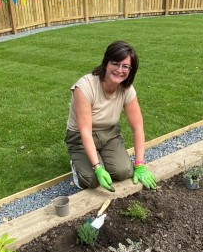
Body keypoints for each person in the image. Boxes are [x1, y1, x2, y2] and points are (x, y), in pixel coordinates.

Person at [65, 41, 157, 192]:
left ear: (131, 70)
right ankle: (77, 164)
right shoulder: (85, 87)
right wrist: (97, 167)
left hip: (109, 135)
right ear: (106, 63)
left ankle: (101, 157)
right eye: (115, 63)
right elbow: (85, 132)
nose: (120, 70)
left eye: (125, 66)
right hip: (80, 138)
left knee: (124, 171)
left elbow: (138, 127)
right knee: (92, 180)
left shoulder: (127, 89)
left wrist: (140, 165)